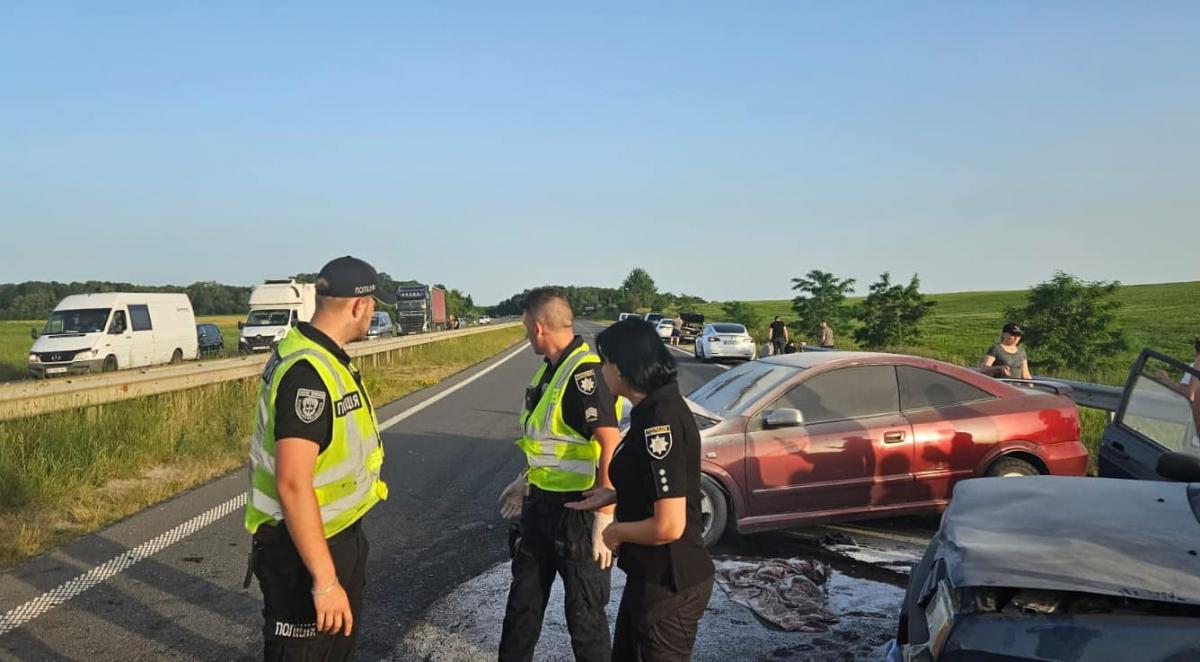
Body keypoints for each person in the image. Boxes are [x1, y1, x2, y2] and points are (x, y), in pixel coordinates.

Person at [243, 256, 395, 661]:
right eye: (374, 306)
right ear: (360, 305)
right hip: (303, 548)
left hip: (331, 536)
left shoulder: (324, 357)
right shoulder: (308, 373)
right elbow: (292, 481)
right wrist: (325, 581)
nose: (372, 315)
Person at [569, 318, 715, 661]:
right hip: (650, 577)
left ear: (620, 368)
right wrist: (617, 494)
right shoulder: (651, 408)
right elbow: (661, 482)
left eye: (604, 362)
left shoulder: (658, 420)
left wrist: (615, 531)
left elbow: (669, 525)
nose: (602, 370)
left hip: (670, 582)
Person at [497, 287, 623, 662]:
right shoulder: (549, 371)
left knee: (584, 618)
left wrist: (604, 516)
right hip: (540, 509)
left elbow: (609, 439)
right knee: (522, 608)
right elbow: (549, 441)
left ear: (538, 327)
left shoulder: (585, 373)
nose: (523, 333)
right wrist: (525, 480)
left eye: (524, 325)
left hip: (580, 513)